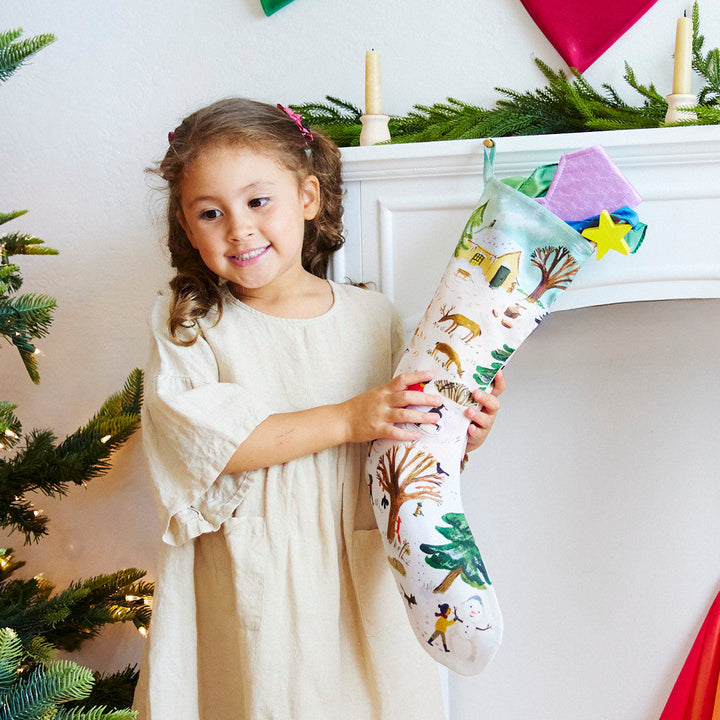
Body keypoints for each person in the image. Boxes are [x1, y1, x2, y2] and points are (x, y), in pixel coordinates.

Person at [133, 97, 505, 720]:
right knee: (263, 694)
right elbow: (204, 446)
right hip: (253, 575)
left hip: (355, 566)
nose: (239, 228)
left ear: (306, 197)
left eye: (258, 201)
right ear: (187, 226)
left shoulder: (373, 317)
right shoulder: (193, 323)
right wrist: (348, 418)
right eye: (210, 213)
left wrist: (462, 432)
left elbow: (405, 446)